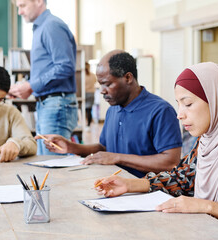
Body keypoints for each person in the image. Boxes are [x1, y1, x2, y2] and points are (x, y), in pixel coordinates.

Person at [94, 62, 218, 239]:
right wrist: (130, 185)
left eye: (188, 104)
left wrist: (206, 207)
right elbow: (184, 178)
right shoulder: (207, 140)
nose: (179, 114)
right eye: (179, 104)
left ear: (216, 100)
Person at [37, 50, 182, 178]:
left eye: (107, 84)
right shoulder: (114, 108)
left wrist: (118, 158)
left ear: (128, 78)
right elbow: (104, 149)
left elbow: (170, 162)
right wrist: (70, 147)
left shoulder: (160, 111)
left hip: (147, 192)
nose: (102, 90)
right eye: (101, 84)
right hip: (113, 186)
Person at [10, 0, 78, 155]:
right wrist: (27, 86)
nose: (20, 12)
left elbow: (65, 66)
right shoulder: (42, 27)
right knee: (46, 161)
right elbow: (47, 68)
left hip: (56, 104)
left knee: (52, 164)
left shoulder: (51, 26)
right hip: (49, 104)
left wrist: (32, 86)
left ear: (39, 1)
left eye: (23, 5)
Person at [85, 61, 96, 129]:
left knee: (84, 110)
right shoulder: (92, 75)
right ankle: (88, 125)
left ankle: (85, 124)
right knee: (89, 110)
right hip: (91, 93)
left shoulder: (83, 75)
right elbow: (95, 81)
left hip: (85, 93)